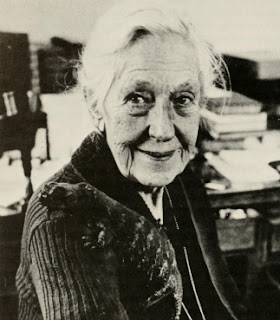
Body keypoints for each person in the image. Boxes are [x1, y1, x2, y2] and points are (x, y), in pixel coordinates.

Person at [16, 1, 245, 319]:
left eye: (182, 99)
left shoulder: (182, 179)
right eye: (137, 98)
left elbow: (221, 306)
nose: (163, 130)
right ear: (96, 104)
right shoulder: (62, 217)